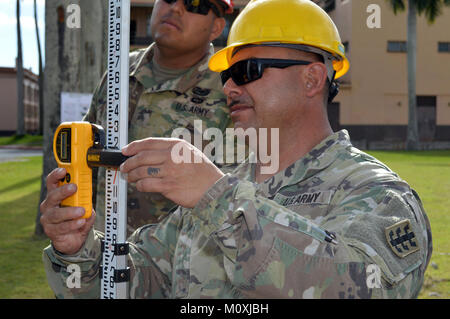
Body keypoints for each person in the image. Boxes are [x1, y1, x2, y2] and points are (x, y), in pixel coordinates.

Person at [42, 0, 432, 299]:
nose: (229, 88)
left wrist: (217, 198)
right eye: (228, 75)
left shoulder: (376, 194)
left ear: (312, 78)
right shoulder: (216, 189)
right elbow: (142, 277)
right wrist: (79, 252)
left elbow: (364, 285)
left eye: (248, 71)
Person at [43, 0, 235, 235]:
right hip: (100, 257)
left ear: (216, 27)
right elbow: (85, 155)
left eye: (194, 4)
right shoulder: (118, 72)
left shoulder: (231, 89)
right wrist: (67, 210)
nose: (175, 8)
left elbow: (236, 197)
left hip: (178, 266)